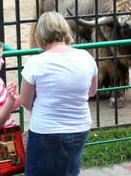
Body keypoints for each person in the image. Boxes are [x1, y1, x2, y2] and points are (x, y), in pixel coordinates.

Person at [20, 11, 98, 176]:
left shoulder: (35, 62)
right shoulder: (86, 57)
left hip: (46, 130)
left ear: (40, 34)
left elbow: (25, 102)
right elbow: (92, 92)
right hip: (80, 126)